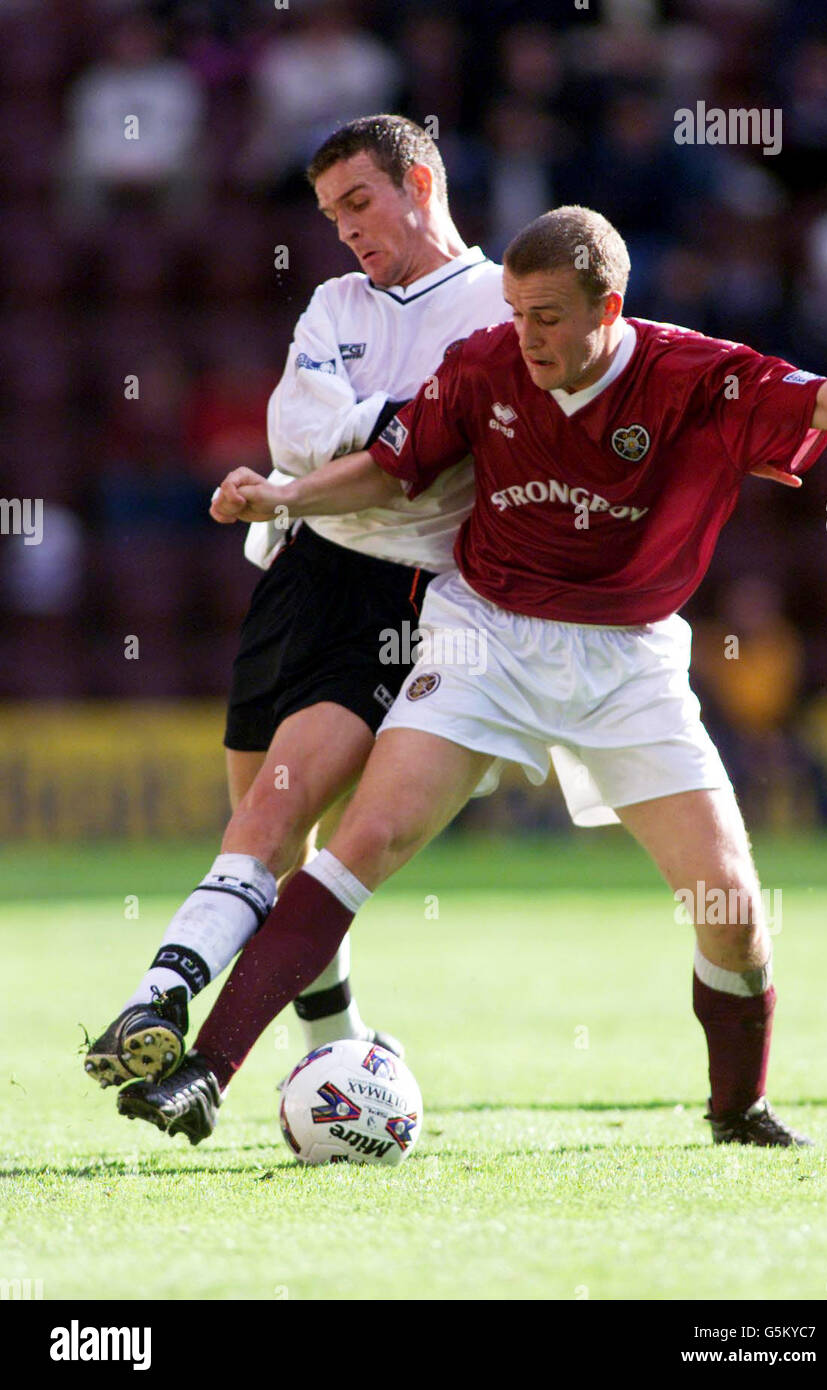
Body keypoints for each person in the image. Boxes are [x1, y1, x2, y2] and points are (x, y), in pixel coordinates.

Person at [118, 203, 827, 1148]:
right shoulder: (483, 365)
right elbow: (392, 469)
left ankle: (739, 1111)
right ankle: (204, 1075)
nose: (528, 335)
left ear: (612, 306)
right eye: (517, 311)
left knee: (730, 911)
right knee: (365, 841)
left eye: (549, 316)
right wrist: (288, 493)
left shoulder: (696, 374)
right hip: (488, 636)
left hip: (628, 659)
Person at [83, 114, 514, 1091]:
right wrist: (395, 427)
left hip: (397, 594)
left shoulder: (498, 304)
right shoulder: (332, 302)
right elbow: (292, 430)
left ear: (420, 179)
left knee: (265, 827)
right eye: (330, 214)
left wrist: (369, 439)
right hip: (296, 570)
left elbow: (424, 470)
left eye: (360, 201)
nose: (347, 230)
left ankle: (158, 1000)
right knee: (269, 845)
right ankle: (341, 1050)